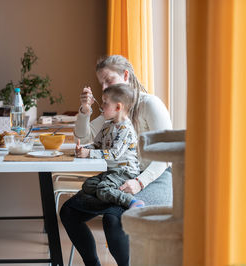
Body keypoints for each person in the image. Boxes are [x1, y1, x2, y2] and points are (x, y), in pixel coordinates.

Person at [60, 55, 172, 266]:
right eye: (100, 82)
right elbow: (83, 138)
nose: (103, 87)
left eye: (108, 80)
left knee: (114, 220)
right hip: (120, 177)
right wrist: (85, 111)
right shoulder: (113, 108)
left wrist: (139, 182)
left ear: (126, 76)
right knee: (68, 212)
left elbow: (164, 157)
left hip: (156, 178)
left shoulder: (150, 105)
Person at [76, 84, 144, 209]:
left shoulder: (126, 129)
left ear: (118, 107)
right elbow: (97, 145)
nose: (101, 106)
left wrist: (89, 154)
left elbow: (114, 154)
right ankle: (110, 192)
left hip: (126, 172)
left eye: (105, 103)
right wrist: (84, 150)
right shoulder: (107, 126)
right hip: (112, 171)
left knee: (102, 189)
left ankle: (131, 202)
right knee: (88, 185)